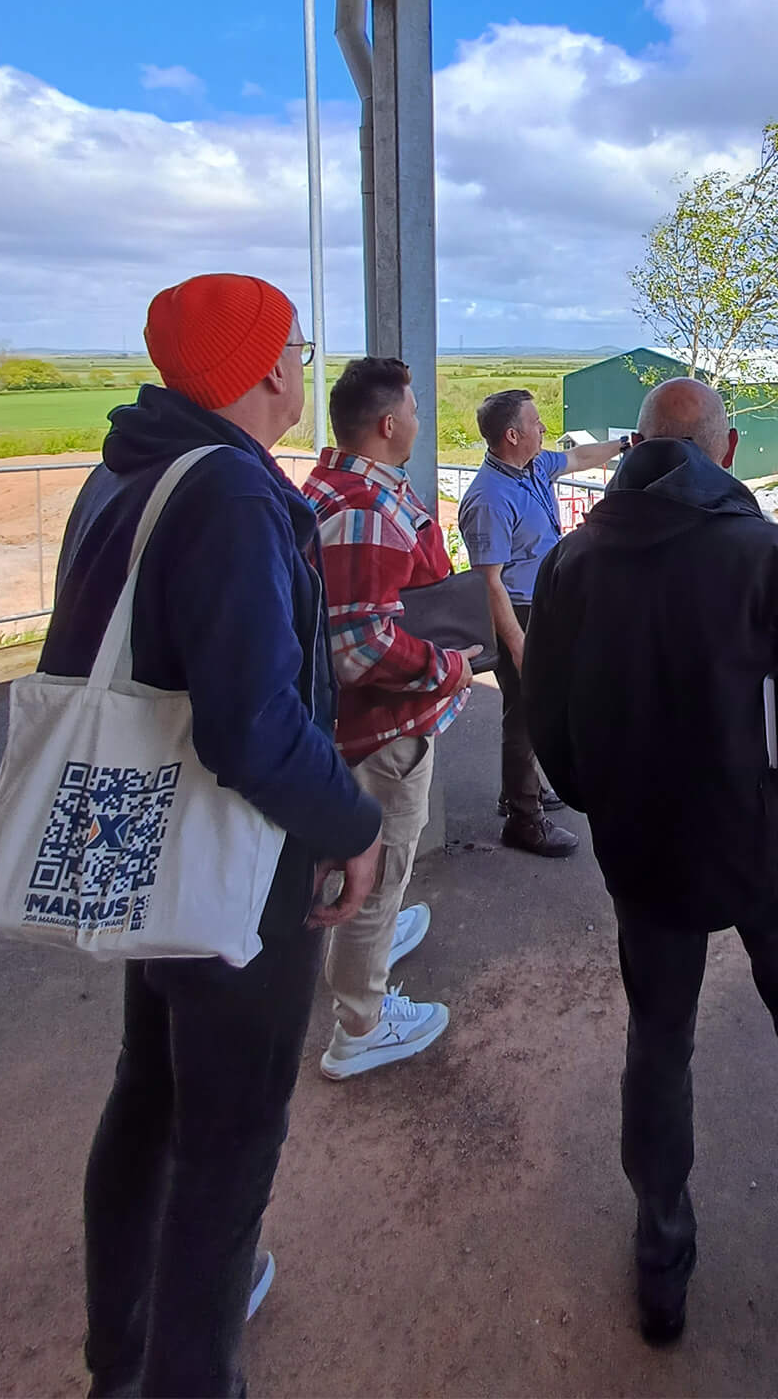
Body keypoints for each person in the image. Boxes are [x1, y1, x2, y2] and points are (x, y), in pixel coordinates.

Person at [522, 377, 778, 1343]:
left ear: (636, 452)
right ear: (728, 450)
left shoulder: (577, 561)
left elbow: (546, 708)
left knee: (658, 1038)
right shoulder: (771, 557)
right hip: (769, 850)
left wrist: (596, 799)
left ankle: (662, 1266)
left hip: (643, 850)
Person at [40, 274, 383, 1399]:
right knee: (227, 1147)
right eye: (295, 343)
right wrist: (351, 819)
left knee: (149, 1091)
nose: (304, 363)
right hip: (227, 863)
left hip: (150, 845)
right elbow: (253, 722)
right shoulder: (230, 492)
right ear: (266, 368)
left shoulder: (125, 468)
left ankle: (120, 1353)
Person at [303, 356, 477, 1080]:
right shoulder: (365, 512)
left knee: (373, 867)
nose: (417, 421)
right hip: (380, 733)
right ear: (386, 424)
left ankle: (365, 946)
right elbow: (361, 645)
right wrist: (448, 668)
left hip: (360, 728)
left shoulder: (336, 488)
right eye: (412, 410)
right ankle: (360, 1025)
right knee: (378, 862)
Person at [457, 390, 623, 857]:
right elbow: (489, 584)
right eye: (536, 422)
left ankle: (518, 791)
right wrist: (519, 645)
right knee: (526, 715)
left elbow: (578, 456)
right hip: (516, 611)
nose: (543, 428)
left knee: (533, 709)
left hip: (541, 604)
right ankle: (524, 820)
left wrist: (628, 445)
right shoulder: (489, 499)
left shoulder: (532, 467)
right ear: (512, 435)